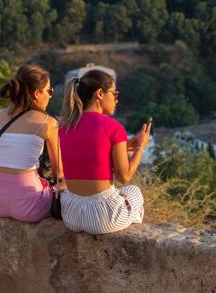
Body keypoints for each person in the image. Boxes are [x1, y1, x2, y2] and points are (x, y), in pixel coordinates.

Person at [56, 70, 150, 235]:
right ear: (100, 93)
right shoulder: (112, 127)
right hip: (103, 218)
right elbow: (124, 177)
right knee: (133, 191)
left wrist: (124, 147)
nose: (116, 99)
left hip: (71, 214)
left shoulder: (64, 127)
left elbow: (90, 157)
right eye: (114, 93)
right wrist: (140, 147)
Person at [0, 65, 64, 223]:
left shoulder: (0, 115)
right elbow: (59, 174)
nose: (50, 96)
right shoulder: (48, 122)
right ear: (36, 93)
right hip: (29, 207)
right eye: (49, 91)